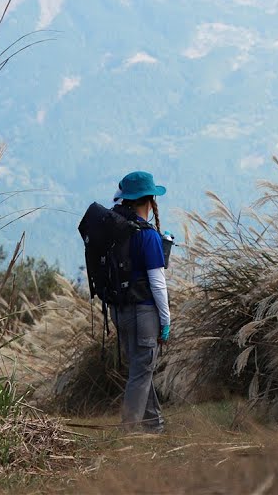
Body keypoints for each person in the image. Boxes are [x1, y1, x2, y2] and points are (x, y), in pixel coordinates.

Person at [111, 170, 171, 434]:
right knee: (141, 371)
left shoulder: (115, 231)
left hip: (119, 310)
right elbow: (157, 283)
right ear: (149, 200)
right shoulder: (148, 235)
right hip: (144, 312)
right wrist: (165, 321)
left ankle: (154, 426)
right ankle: (128, 432)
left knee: (139, 369)